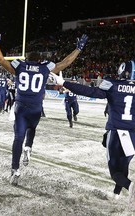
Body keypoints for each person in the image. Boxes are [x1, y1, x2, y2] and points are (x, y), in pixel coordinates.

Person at [0, 21, 88, 185]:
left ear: (27, 58)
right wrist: (78, 49)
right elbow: (65, 64)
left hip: (21, 107)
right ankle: (28, 147)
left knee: (17, 138)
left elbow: (0, 60)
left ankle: (15, 170)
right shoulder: (44, 67)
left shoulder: (19, 65)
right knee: (32, 127)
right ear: (39, 60)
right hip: (36, 108)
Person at [50, 60, 135, 209]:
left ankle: (130, 186)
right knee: (124, 165)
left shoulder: (112, 83)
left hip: (116, 132)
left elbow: (91, 92)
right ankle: (116, 194)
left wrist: (64, 82)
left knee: (115, 171)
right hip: (133, 134)